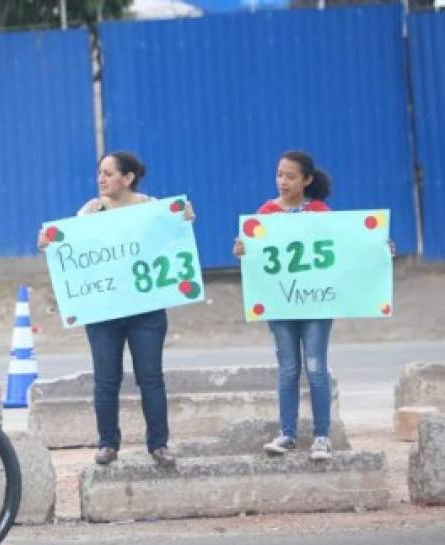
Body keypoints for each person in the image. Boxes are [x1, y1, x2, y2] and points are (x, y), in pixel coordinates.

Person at [232, 150, 395, 461]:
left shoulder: (321, 212)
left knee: (316, 366)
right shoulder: (265, 213)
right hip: (281, 303)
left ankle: (322, 437)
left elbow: (348, 245)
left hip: (317, 305)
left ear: (306, 180)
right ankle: (287, 435)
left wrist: (379, 248)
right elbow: (254, 255)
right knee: (288, 368)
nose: (283, 181)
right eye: (279, 174)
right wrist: (242, 249)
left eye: (290, 176)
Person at [39, 151, 195, 467]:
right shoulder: (89, 212)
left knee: (150, 377)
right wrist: (48, 242)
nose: (101, 179)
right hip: (104, 309)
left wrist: (184, 217)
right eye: (100, 172)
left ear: (128, 178)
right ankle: (108, 443)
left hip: (145, 309)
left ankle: (159, 444)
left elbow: (171, 240)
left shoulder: (152, 209)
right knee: (106, 378)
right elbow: (71, 249)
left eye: (109, 173)